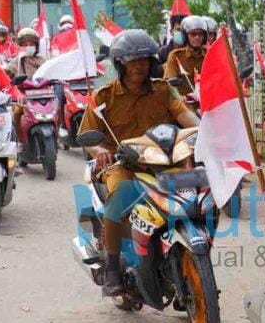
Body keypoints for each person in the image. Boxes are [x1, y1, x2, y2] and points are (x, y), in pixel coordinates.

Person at [78, 29, 200, 296]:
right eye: (132, 61)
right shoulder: (103, 97)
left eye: (144, 60)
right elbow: (86, 137)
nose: (139, 66)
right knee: (119, 195)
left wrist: (204, 131)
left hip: (163, 162)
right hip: (122, 165)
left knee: (197, 194)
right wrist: (99, 150)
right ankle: (112, 268)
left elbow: (186, 117)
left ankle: (193, 260)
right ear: (120, 63)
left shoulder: (164, 90)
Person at [164, 15, 207, 96]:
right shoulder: (175, 56)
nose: (197, 37)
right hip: (185, 105)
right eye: (193, 34)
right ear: (185, 36)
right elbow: (169, 85)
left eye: (200, 34)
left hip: (208, 103)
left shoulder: (209, 55)